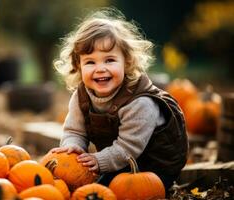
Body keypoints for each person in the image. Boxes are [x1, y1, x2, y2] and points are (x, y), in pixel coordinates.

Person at [51, 8, 188, 194]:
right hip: (118, 162)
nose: (100, 69)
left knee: (107, 192)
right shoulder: (81, 96)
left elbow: (128, 148)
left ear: (127, 62)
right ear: (78, 66)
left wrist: (98, 161)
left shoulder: (140, 103)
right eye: (90, 62)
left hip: (154, 169)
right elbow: (74, 130)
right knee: (83, 189)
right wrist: (71, 146)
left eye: (109, 60)